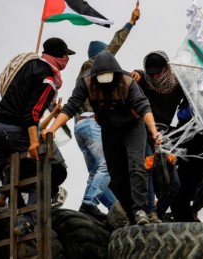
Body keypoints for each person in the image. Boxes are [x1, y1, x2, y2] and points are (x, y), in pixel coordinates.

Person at [42, 52, 161, 225]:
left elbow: (144, 107)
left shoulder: (127, 81)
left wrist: (153, 130)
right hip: (110, 129)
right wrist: (52, 129)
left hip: (132, 127)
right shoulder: (87, 83)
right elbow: (71, 107)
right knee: (116, 175)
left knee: (136, 166)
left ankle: (141, 210)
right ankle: (131, 213)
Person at [0, 37, 75, 240]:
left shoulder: (26, 66)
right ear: (60, 56)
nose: (67, 60)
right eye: (66, 55)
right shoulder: (49, 79)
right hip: (16, 131)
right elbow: (33, 114)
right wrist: (34, 141)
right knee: (42, 177)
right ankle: (27, 222)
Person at [74, 5, 140, 220]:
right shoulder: (96, 65)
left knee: (95, 173)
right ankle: (89, 202)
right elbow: (115, 43)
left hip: (78, 125)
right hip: (91, 122)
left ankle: (106, 208)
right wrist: (131, 23)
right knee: (106, 166)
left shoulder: (81, 75)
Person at [131, 51, 185, 222]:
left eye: (158, 72)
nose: (154, 76)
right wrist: (138, 73)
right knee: (147, 169)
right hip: (145, 132)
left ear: (166, 68)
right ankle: (151, 211)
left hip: (165, 136)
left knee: (174, 183)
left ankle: (160, 212)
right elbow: (131, 82)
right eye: (151, 73)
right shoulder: (144, 81)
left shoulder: (177, 86)